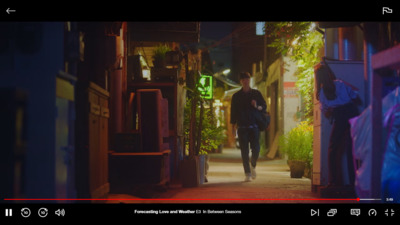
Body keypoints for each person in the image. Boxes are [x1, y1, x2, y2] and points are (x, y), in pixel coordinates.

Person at [315, 63, 360, 188]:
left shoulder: (323, 92)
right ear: (329, 74)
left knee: (333, 148)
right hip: (352, 113)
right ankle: (354, 181)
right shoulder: (340, 83)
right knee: (353, 149)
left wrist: (334, 108)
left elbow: (327, 113)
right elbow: (355, 96)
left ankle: (333, 181)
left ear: (319, 79)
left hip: (339, 116)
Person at [230, 72, 267, 182]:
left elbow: (263, 107)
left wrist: (256, 106)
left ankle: (253, 165)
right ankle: (247, 173)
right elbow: (233, 112)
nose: (245, 81)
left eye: (247, 79)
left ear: (249, 80)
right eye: (243, 79)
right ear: (241, 81)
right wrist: (233, 126)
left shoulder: (256, 94)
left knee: (256, 149)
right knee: (244, 151)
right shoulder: (236, 96)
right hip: (242, 127)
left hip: (254, 126)